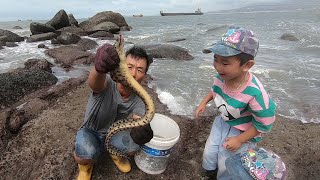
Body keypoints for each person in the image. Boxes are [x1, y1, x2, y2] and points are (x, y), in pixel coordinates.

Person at [195, 26, 277, 179]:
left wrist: (239, 140)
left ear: (247, 65)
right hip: (222, 121)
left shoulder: (255, 93)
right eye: (215, 59)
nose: (217, 67)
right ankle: (210, 171)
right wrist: (203, 103)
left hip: (242, 131)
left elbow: (264, 123)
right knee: (210, 150)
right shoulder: (223, 76)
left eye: (225, 63)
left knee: (227, 160)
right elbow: (215, 89)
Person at [74, 38, 154, 180]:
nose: (134, 73)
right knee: (85, 153)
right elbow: (95, 83)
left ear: (145, 75)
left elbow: (137, 119)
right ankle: (85, 167)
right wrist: (98, 69)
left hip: (115, 132)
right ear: (122, 66)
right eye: (129, 67)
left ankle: (114, 153)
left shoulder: (140, 100)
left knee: (133, 147)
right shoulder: (107, 82)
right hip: (92, 130)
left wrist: (142, 131)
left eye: (140, 69)